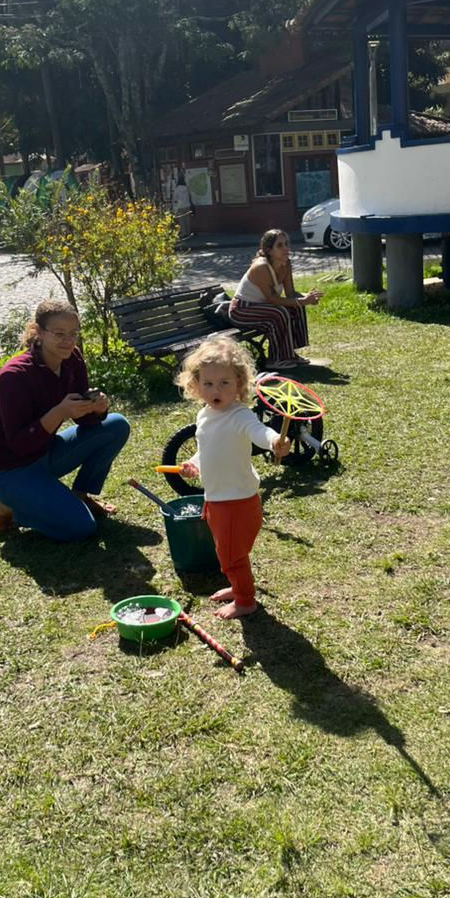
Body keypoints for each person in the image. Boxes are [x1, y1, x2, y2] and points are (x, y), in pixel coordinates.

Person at [0, 299, 130, 541]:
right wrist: (60, 412)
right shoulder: (13, 376)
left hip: (44, 452)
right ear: (38, 332)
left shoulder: (72, 358)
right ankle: (5, 505)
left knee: (116, 425)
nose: (68, 341)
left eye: (73, 333)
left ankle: (80, 496)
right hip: (10, 468)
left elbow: (86, 422)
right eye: (59, 334)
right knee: (81, 527)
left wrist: (97, 408)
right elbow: (18, 445)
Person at [176, 336, 290, 620]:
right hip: (217, 498)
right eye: (208, 383)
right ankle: (237, 584)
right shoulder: (205, 415)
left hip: (236, 502)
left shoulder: (240, 415)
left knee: (230, 556)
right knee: (228, 551)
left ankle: (245, 600)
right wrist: (193, 464)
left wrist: (275, 441)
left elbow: (259, 432)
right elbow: (207, 448)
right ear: (196, 384)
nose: (216, 390)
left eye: (224, 383)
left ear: (239, 383)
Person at [227, 229, 321, 371]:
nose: (285, 248)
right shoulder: (261, 267)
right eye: (280, 245)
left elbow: (290, 293)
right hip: (242, 310)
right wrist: (302, 300)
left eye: (286, 244)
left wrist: (307, 298)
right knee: (279, 312)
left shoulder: (286, 263)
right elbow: (272, 299)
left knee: (296, 307)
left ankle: (289, 354)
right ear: (269, 250)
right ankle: (275, 360)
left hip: (263, 306)